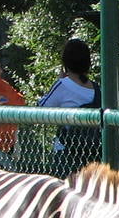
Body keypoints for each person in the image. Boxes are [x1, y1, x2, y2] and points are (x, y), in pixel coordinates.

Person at [37, 38, 101, 178]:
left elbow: (42, 107)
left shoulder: (63, 85)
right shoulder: (97, 89)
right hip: (94, 156)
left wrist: (58, 80)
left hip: (67, 155)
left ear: (65, 61)